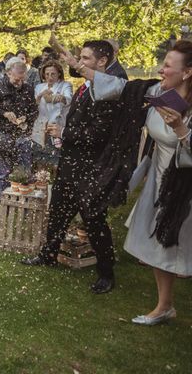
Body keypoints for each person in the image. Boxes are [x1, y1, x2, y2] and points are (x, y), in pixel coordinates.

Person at [60, 39, 192, 324]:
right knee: (159, 240)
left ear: (187, 72)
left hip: (185, 185)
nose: (160, 69)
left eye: (168, 65)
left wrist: (181, 129)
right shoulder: (157, 92)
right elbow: (122, 89)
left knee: (180, 243)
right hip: (159, 178)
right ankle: (165, 305)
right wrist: (82, 69)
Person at [22, 37, 122, 294]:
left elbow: (99, 133)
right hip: (70, 162)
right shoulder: (84, 86)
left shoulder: (109, 92)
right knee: (58, 212)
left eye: (86, 58)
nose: (80, 62)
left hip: (90, 167)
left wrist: (64, 133)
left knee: (94, 219)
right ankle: (48, 254)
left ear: (103, 61)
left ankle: (106, 273)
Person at [0, 57, 38, 203]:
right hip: (2, 134)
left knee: (24, 171)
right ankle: (4, 203)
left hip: (22, 135)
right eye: (16, 80)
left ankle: (23, 202)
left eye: (22, 79)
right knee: (2, 173)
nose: (19, 83)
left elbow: (34, 111)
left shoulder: (28, 89)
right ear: (8, 72)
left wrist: (26, 118)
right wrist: (4, 113)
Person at [30, 60, 73, 164]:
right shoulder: (39, 87)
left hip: (56, 126)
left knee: (55, 159)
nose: (50, 77)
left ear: (59, 74)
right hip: (40, 127)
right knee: (39, 158)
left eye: (53, 74)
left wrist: (61, 98)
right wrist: (41, 95)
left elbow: (69, 99)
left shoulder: (65, 85)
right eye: (47, 74)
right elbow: (32, 104)